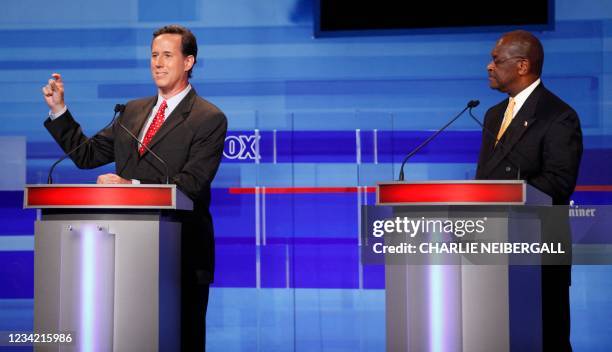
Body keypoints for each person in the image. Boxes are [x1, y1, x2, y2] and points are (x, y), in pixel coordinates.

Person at [42, 24, 227, 351]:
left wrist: (133, 185)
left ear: (188, 62)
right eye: (154, 55)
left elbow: (193, 184)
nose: (158, 62)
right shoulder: (131, 112)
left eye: (167, 55)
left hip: (179, 257)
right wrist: (59, 110)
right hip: (122, 256)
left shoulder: (208, 118)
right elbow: (85, 155)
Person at [476, 30, 582, 351]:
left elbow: (559, 182)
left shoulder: (558, 115)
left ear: (522, 65)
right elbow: (486, 178)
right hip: (493, 247)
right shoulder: (494, 114)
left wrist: (506, 199)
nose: (488, 67)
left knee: (545, 339)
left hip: (538, 250)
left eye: (496, 60)